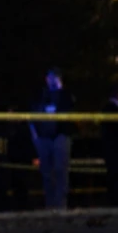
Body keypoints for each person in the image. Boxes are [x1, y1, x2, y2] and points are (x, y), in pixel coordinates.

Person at [33, 69, 72, 211]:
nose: (51, 80)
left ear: (60, 79)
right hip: (44, 137)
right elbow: (32, 115)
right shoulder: (42, 95)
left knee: (61, 170)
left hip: (60, 135)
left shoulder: (66, 95)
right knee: (47, 172)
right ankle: (50, 205)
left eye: (54, 77)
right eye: (49, 77)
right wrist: (36, 137)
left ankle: (61, 205)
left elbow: (71, 114)